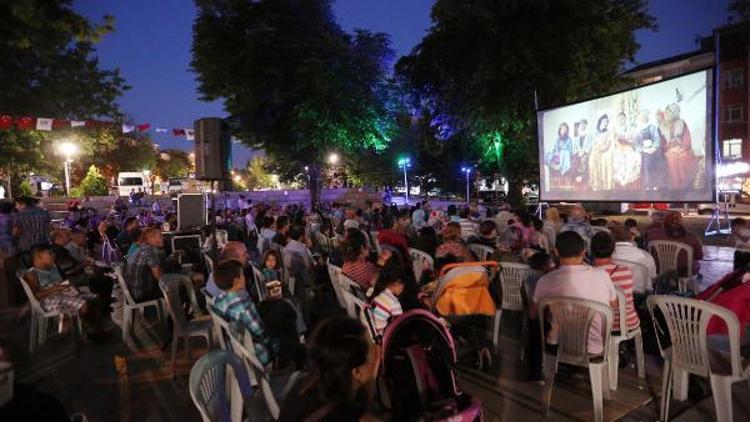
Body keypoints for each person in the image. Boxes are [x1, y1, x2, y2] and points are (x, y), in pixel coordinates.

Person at [531, 231, 616, 355]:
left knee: (534, 324)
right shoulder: (603, 275)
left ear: (556, 251)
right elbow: (612, 307)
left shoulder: (546, 280)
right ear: (583, 251)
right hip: (596, 347)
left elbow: (534, 313)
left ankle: (536, 369)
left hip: (559, 346)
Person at [279, 317, 380, 422]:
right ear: (357, 372)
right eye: (373, 349)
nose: (378, 349)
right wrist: (372, 379)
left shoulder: (303, 386)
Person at [23, 245, 105, 339]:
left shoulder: (53, 267)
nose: (53, 255)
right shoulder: (32, 273)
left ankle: (96, 329)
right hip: (48, 299)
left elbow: (63, 281)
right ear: (38, 256)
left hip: (64, 294)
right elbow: (37, 295)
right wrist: (56, 288)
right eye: (50, 253)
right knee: (82, 304)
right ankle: (88, 331)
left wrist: (70, 287)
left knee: (95, 298)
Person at [213, 260, 277, 367]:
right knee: (285, 338)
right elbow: (260, 331)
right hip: (252, 352)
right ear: (236, 280)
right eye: (242, 275)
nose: (244, 278)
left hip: (234, 346)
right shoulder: (243, 306)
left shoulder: (218, 300)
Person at [591, 232, 640, 332]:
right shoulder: (625, 271)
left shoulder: (588, 275)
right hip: (628, 323)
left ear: (591, 250)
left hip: (601, 326)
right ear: (613, 250)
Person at [648, 211, 703, 278]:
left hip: (658, 268)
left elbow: (648, 250)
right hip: (683, 271)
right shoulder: (691, 237)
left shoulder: (652, 234)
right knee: (696, 266)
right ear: (681, 221)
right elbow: (699, 256)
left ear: (664, 221)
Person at [124, 227, 168, 302]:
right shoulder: (151, 250)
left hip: (134, 293)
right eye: (160, 236)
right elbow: (159, 276)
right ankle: (175, 313)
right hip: (142, 295)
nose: (163, 238)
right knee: (178, 287)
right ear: (149, 239)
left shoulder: (142, 248)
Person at [610, 225, 657, 293]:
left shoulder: (606, 257)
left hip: (614, 294)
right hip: (640, 296)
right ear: (632, 238)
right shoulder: (645, 256)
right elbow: (653, 278)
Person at [662, 103, 697, 190]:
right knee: (672, 159)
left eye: (674, 111)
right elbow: (660, 143)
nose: (671, 113)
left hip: (682, 149)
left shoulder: (682, 123)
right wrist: (669, 146)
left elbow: (687, 138)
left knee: (684, 158)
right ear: (666, 112)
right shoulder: (661, 127)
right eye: (669, 111)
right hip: (668, 151)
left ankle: (685, 186)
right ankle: (676, 187)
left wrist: (682, 147)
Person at [368, 257, 405, 335]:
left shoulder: (373, 290)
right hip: (383, 337)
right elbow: (400, 328)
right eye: (403, 284)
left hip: (372, 331)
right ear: (397, 283)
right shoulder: (394, 304)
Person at [636, 110, 667, 190]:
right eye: (642, 117)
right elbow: (637, 143)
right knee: (647, 161)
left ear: (648, 117)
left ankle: (656, 184)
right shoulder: (638, 129)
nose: (644, 118)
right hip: (644, 150)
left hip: (653, 148)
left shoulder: (652, 127)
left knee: (658, 159)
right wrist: (643, 149)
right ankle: (647, 184)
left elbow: (657, 139)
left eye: (645, 116)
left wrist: (654, 148)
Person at [588, 114, 614, 191]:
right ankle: (595, 185)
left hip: (604, 151)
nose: (606, 123)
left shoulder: (609, 133)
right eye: (604, 121)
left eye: (607, 122)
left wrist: (600, 149)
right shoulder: (594, 133)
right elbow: (592, 145)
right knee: (592, 157)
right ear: (600, 122)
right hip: (595, 151)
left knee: (606, 158)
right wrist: (595, 148)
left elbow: (608, 145)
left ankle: (606, 186)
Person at [545, 122, 574, 187]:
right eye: (562, 129)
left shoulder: (569, 139)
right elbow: (555, 149)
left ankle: (562, 169)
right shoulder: (557, 139)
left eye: (565, 129)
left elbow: (570, 150)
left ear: (567, 131)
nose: (564, 131)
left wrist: (562, 152)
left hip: (565, 155)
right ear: (560, 130)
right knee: (547, 155)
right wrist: (556, 152)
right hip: (557, 155)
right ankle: (556, 167)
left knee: (565, 153)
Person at [571, 119, 593, 187]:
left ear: (586, 125)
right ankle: (575, 176)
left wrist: (584, 151)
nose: (582, 126)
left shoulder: (589, 136)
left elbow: (590, 145)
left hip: (586, 153)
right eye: (581, 124)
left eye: (584, 124)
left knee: (584, 160)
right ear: (579, 126)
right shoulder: (576, 137)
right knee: (574, 160)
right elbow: (574, 147)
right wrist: (578, 152)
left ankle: (583, 177)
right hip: (578, 153)